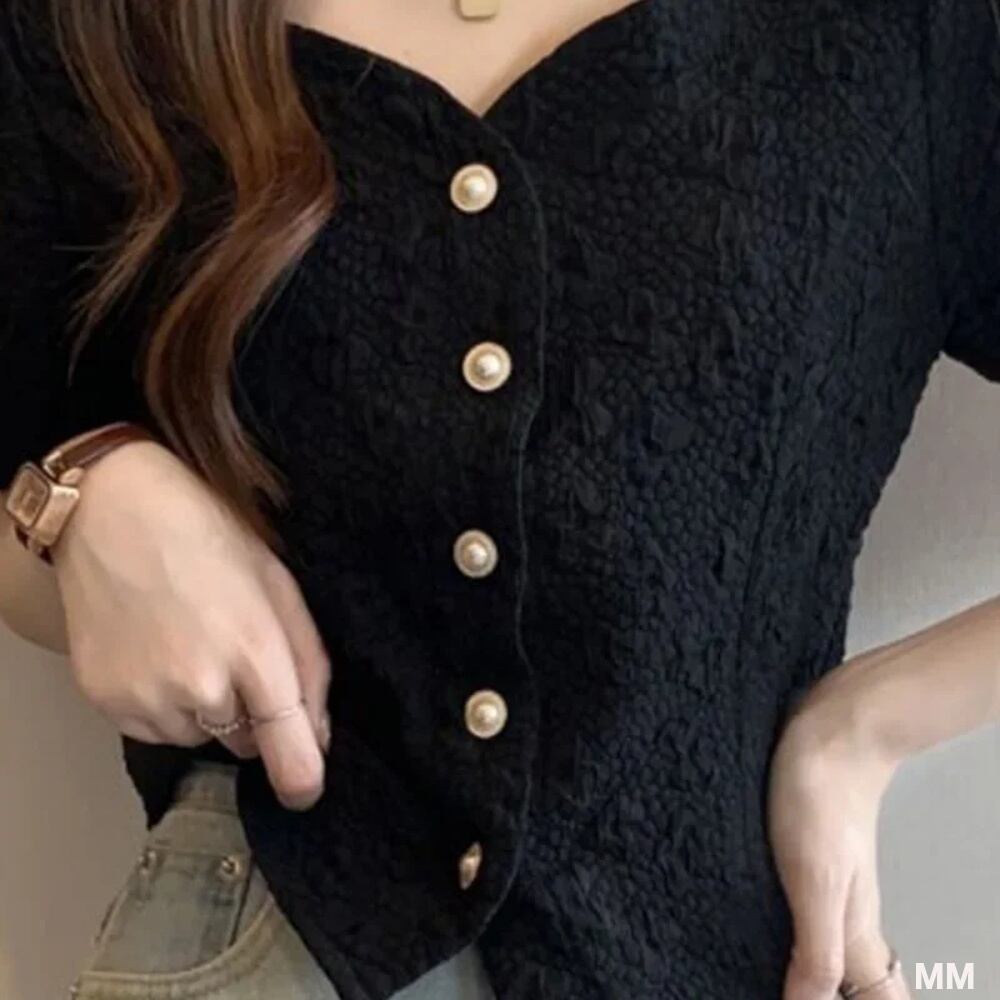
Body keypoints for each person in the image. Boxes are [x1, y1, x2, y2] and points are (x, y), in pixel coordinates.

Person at [1, 0, 999, 997]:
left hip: (719, 949)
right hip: (270, 940)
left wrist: (865, 726)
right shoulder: (107, 26)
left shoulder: (910, 37)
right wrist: (85, 497)